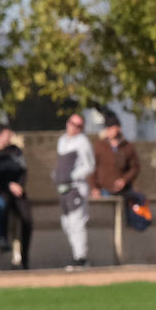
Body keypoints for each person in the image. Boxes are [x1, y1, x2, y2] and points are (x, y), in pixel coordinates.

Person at [0, 123, 32, 269]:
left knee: (27, 219)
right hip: (1, 190)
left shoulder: (15, 151)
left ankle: (24, 258)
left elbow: (23, 170)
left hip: (17, 191)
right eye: (8, 135)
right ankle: (2, 239)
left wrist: (19, 185)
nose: (10, 137)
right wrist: (8, 184)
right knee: (2, 204)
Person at [55, 113, 95, 269]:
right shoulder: (62, 140)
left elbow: (89, 165)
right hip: (63, 189)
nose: (73, 127)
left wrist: (72, 176)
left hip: (76, 189)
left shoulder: (83, 142)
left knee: (77, 222)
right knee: (67, 223)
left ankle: (81, 257)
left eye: (78, 126)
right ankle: (76, 254)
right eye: (72, 123)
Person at [91, 110, 140, 198]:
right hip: (103, 189)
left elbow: (135, 168)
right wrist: (94, 187)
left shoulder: (127, 146)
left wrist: (124, 180)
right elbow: (92, 167)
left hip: (124, 190)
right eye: (107, 128)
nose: (109, 131)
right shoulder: (99, 146)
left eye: (111, 128)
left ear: (118, 128)